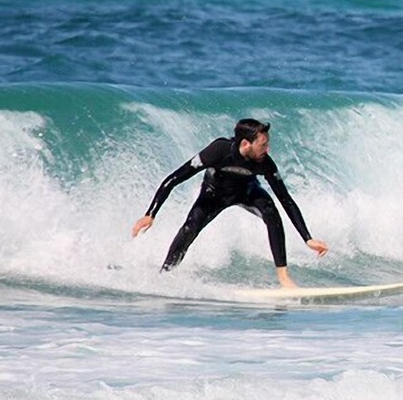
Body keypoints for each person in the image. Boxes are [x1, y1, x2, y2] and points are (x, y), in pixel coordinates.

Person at [132, 118, 329, 288]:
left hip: (247, 191)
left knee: (271, 212)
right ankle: (165, 274)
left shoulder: (264, 162)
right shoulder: (218, 150)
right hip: (214, 193)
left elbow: (286, 199)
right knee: (190, 227)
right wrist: (151, 213)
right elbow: (175, 178)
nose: (266, 149)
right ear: (245, 143)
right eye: (262, 145)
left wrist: (307, 238)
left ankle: (284, 278)